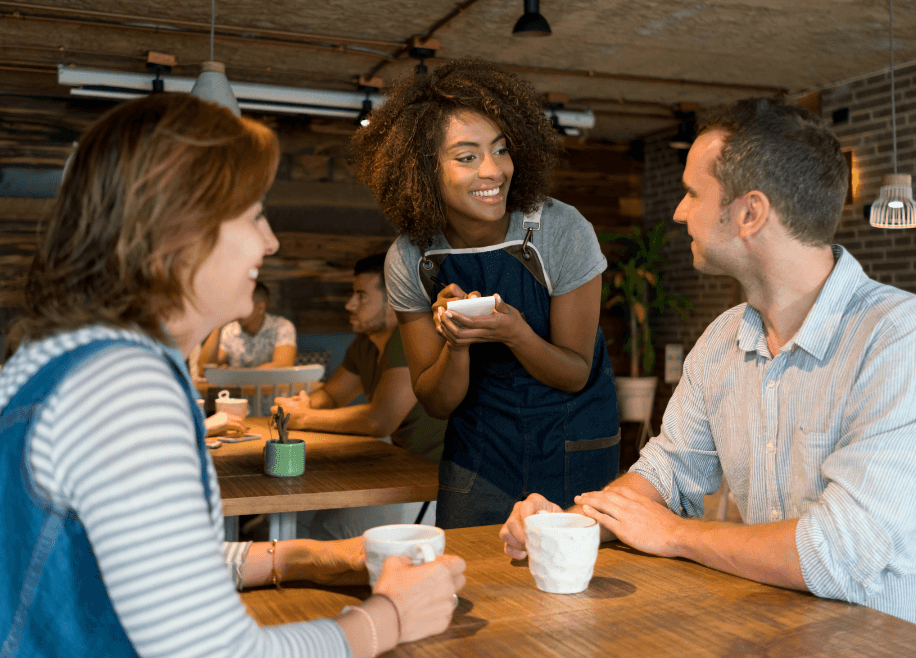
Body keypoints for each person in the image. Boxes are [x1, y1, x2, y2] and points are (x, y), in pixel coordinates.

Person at [0, 93, 464, 658]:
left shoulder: (60, 355)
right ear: (180, 232)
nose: (269, 241)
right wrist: (391, 617)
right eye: (254, 215)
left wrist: (306, 557)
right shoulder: (127, 387)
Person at [499, 96, 916, 644]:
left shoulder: (904, 338)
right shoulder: (722, 342)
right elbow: (668, 475)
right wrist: (571, 524)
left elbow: (835, 555)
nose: (678, 212)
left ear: (750, 213)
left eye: (693, 193)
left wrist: (677, 535)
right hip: (782, 633)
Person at [352, 60, 620, 530]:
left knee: (569, 591)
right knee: (475, 584)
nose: (494, 171)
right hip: (478, 455)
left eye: (500, 150)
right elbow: (436, 402)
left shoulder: (560, 230)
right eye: (467, 156)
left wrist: (515, 333)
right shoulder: (410, 257)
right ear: (423, 170)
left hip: (572, 443)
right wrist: (457, 343)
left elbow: (575, 374)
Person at [274, 254, 446, 539]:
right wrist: (305, 404)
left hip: (432, 485)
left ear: (396, 301)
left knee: (316, 529)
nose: (349, 305)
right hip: (400, 468)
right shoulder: (365, 343)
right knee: (298, 519)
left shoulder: (409, 338)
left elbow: (379, 420)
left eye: (361, 296)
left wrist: (301, 417)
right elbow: (331, 394)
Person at [199, 281, 298, 368]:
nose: (236, 309)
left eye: (242, 304)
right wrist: (219, 324)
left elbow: (283, 365)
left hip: (270, 389)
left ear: (260, 308)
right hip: (236, 389)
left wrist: (237, 376)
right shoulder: (229, 330)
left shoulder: (282, 327)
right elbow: (205, 370)